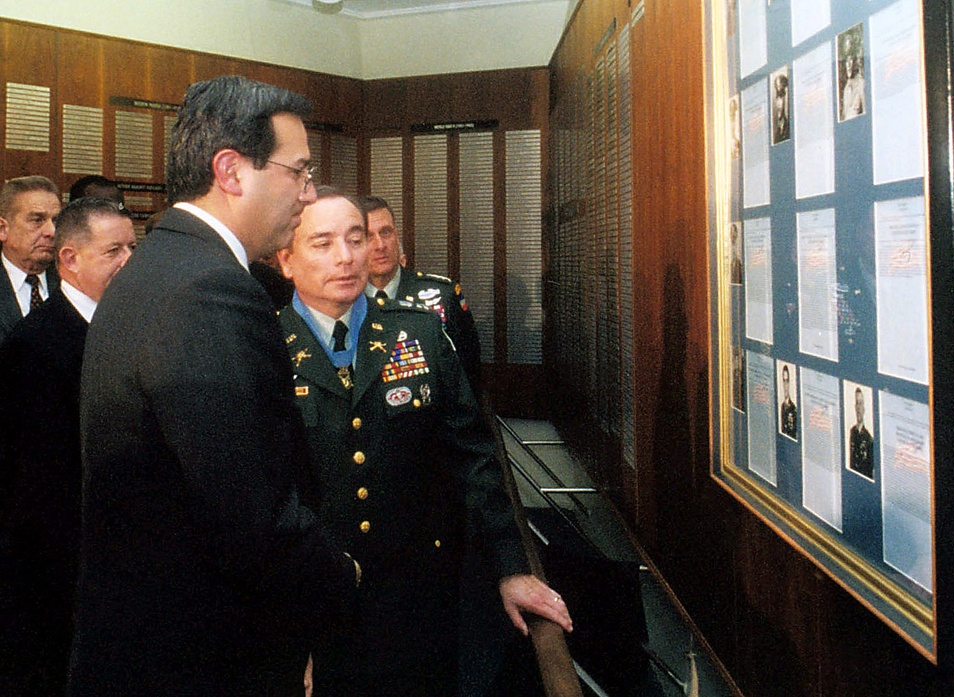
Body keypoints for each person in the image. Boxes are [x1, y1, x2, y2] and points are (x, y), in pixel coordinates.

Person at [67, 76, 360, 695]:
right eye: (299, 173)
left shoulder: (159, 265)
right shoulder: (207, 290)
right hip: (197, 656)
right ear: (231, 170)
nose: (307, 196)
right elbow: (251, 509)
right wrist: (342, 575)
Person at [276, 187, 572, 695]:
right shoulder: (264, 347)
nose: (346, 257)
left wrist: (510, 567)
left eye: (356, 239)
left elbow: (474, 462)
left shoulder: (421, 336)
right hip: (311, 603)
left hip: (417, 598)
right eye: (322, 244)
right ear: (286, 259)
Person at [0, 197, 134, 695]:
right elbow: (34, 487)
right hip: (58, 577)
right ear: (70, 259)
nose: (127, 262)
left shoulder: (129, 327)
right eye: (113, 251)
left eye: (132, 249)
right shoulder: (36, 345)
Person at [358, 195, 483, 392]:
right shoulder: (344, 301)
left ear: (397, 236)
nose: (380, 245)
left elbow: (469, 373)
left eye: (386, 232)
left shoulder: (442, 294)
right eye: (368, 236)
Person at [0, 176, 61, 344]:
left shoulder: (72, 282)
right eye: (37, 220)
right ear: (3, 229)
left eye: (56, 221)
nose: (51, 231)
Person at [849, 387, 874, 478]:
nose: (859, 408)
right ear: (855, 407)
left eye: (861, 404)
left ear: (864, 408)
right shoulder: (852, 432)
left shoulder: (869, 439)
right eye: (857, 404)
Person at [840, 53, 865, 121]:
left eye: (851, 61)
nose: (849, 66)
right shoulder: (847, 85)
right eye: (847, 62)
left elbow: (864, 107)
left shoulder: (860, 82)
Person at [779, 364, 798, 440]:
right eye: (784, 380)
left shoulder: (793, 408)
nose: (785, 384)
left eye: (787, 381)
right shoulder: (782, 406)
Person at [772, 71, 790, 144]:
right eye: (777, 86)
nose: (778, 87)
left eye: (779, 85)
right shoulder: (778, 99)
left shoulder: (788, 98)